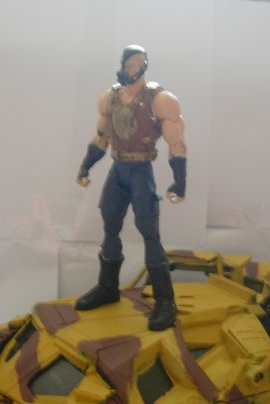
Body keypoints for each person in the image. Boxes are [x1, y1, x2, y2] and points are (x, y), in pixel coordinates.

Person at [75, 44, 187, 331]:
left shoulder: (159, 100)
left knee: (149, 233)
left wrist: (180, 180)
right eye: (126, 65)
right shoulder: (110, 98)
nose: (128, 70)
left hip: (140, 171)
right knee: (110, 225)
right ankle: (107, 286)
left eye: (134, 65)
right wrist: (86, 165)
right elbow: (102, 137)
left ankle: (165, 300)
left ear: (143, 65)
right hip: (118, 169)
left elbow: (176, 142)